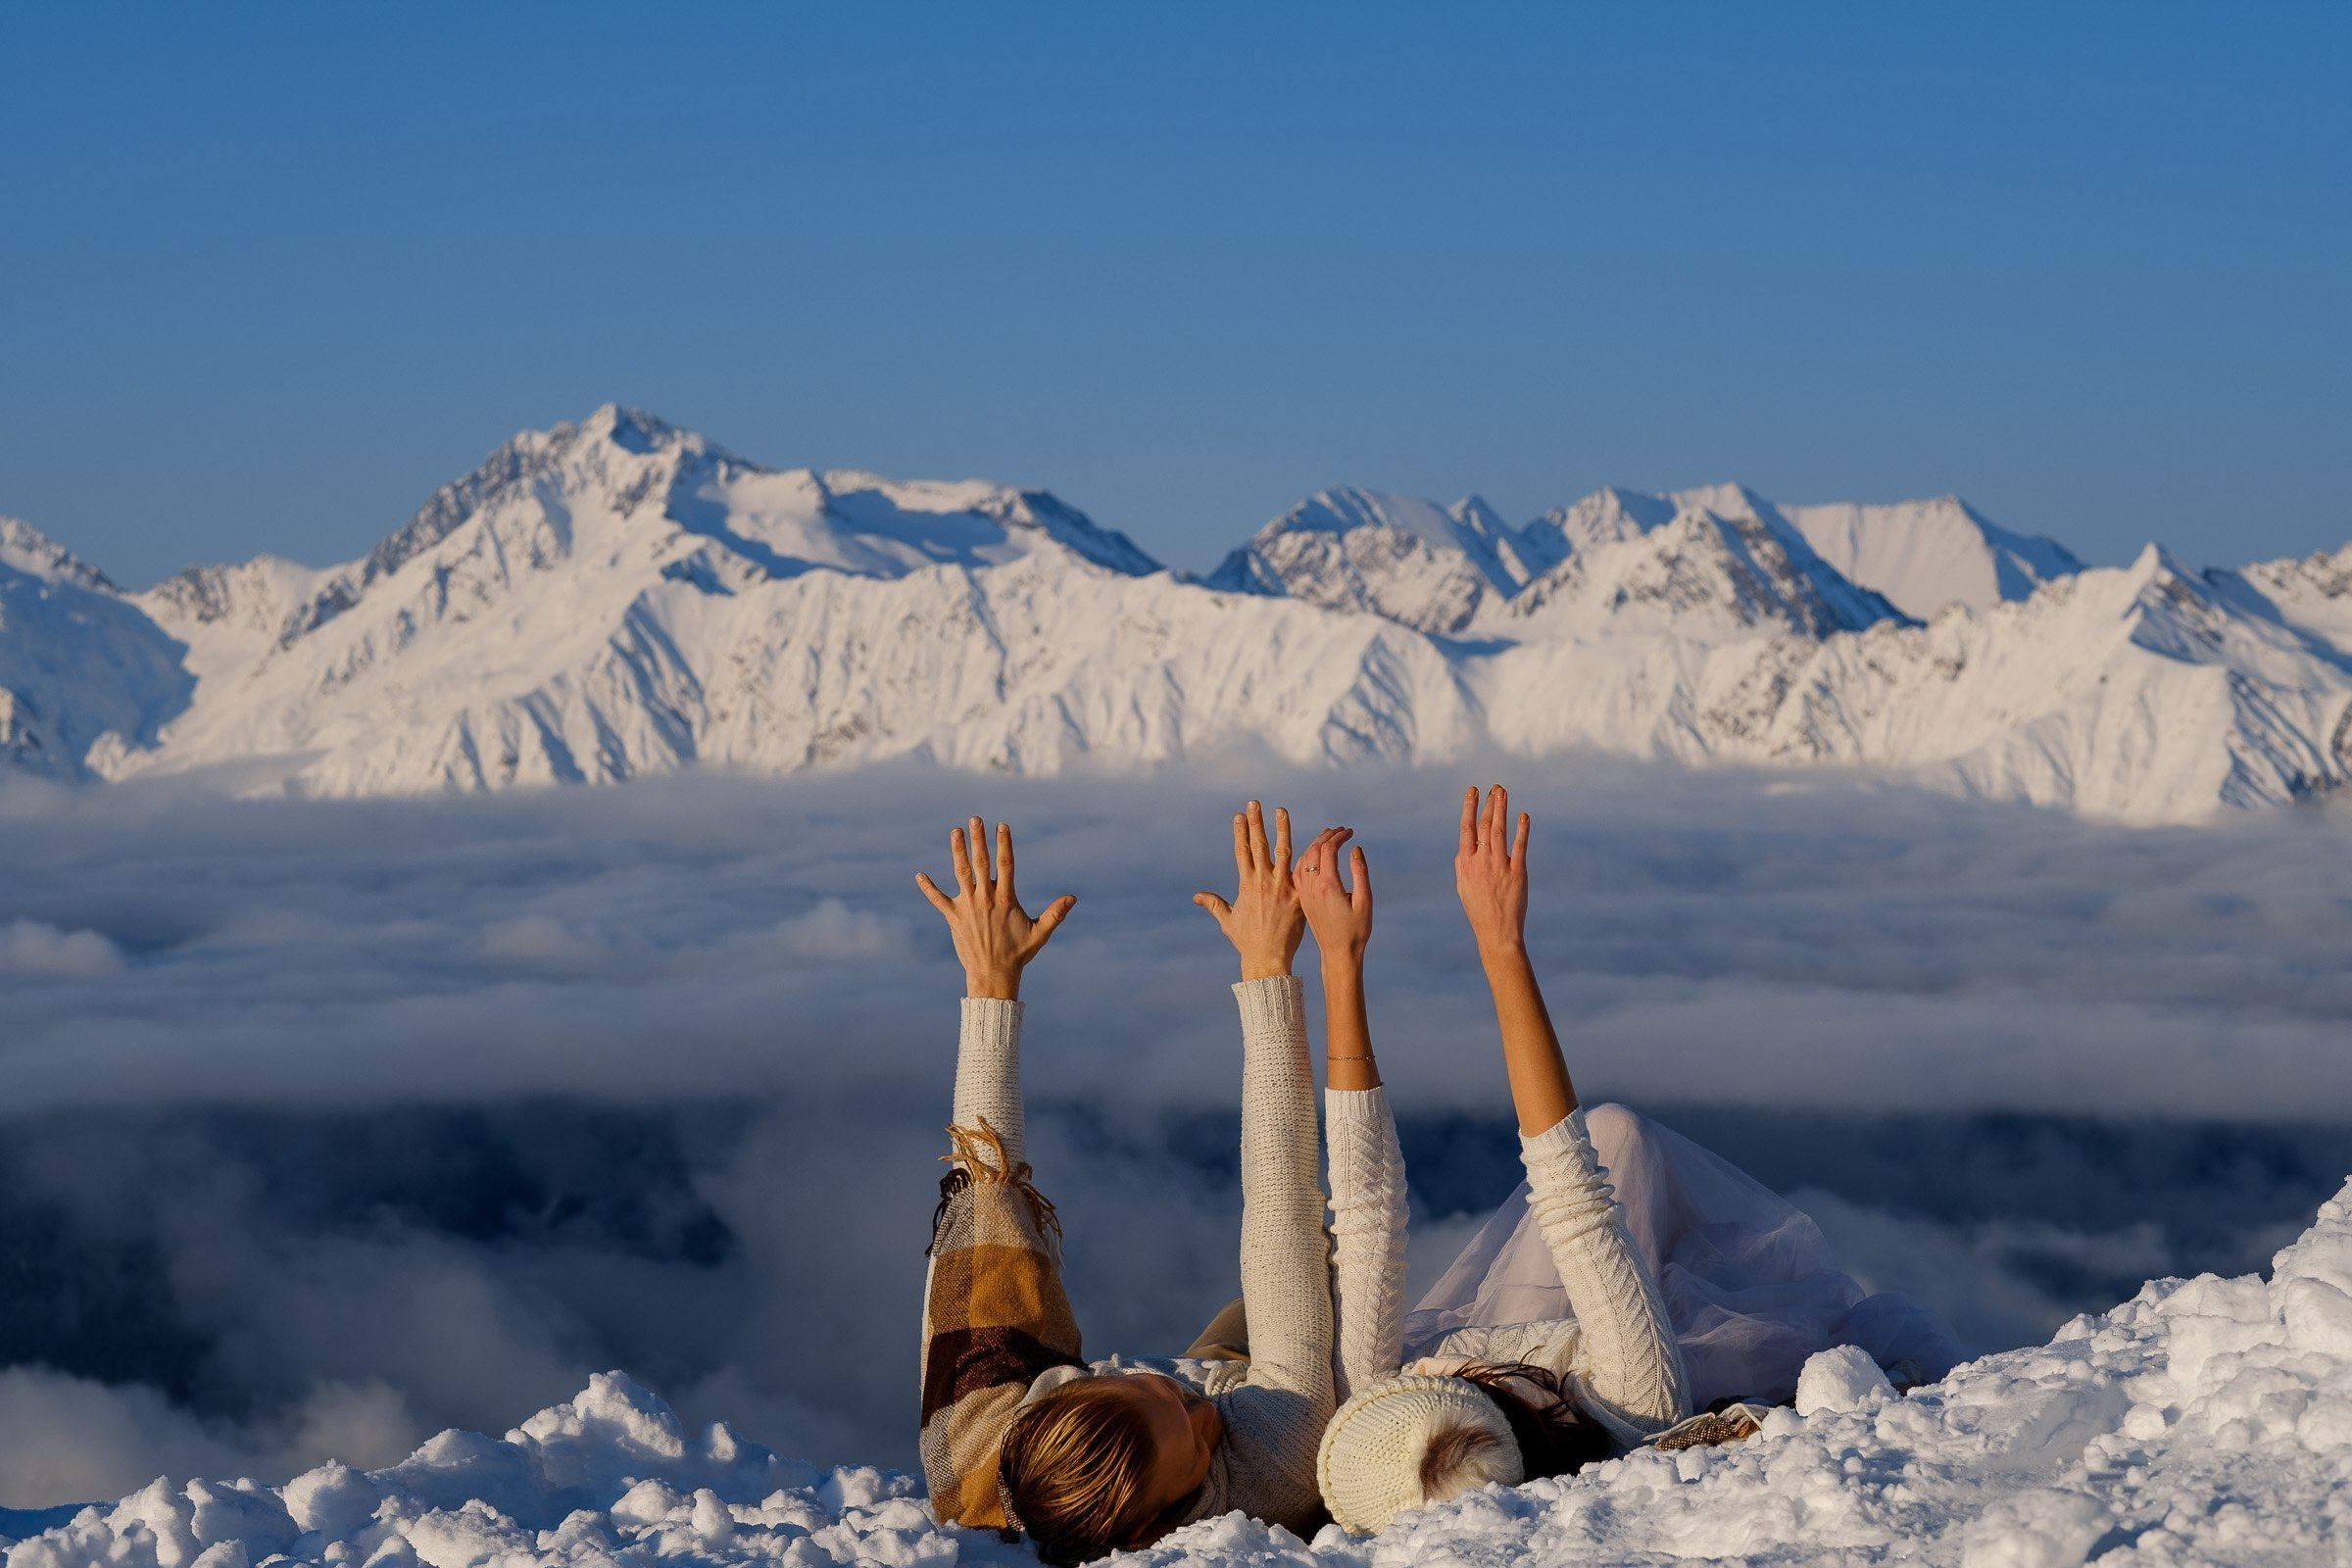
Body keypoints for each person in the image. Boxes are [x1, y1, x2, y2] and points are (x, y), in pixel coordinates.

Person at [1310, 786, 1963, 1536]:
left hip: (1566, 1335)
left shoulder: (1372, 1392)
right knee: (1618, 1140)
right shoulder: (1630, 1395)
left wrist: (1338, 963)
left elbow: (1364, 1215)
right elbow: (1572, 1192)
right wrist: (1501, 944)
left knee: (1616, 1154)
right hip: (1652, 1339)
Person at [913, 807, 1334, 1565]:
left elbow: (982, 1198)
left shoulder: (973, 1446)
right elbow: (1284, 1216)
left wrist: (989, 984)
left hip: (1187, 1364)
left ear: (1072, 1388)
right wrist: (1269, 973)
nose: (1206, 1415)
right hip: (1271, 1371)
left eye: (1166, 1396)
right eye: (1199, 1447)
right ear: (1153, 1530)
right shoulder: (1268, 1461)